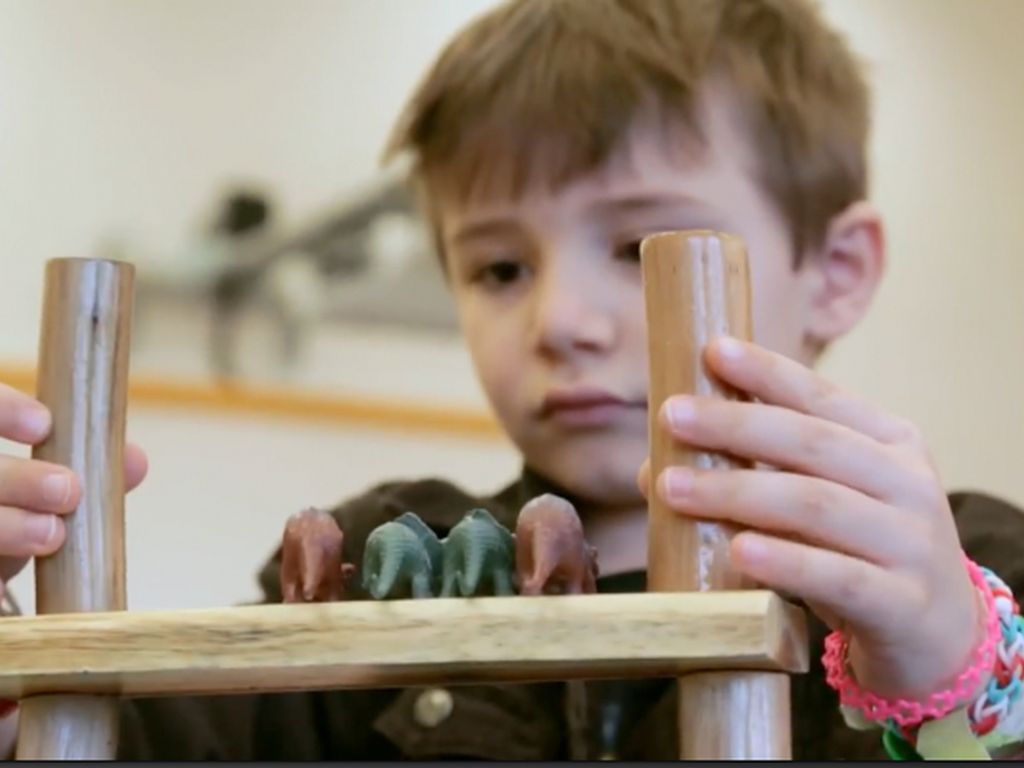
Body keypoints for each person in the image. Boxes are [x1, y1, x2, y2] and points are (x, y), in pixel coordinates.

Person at [1, 0, 1022, 759]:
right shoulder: (371, 554)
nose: (559, 321)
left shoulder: (960, 569)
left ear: (835, 272)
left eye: (638, 248)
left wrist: (948, 665)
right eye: (498, 269)